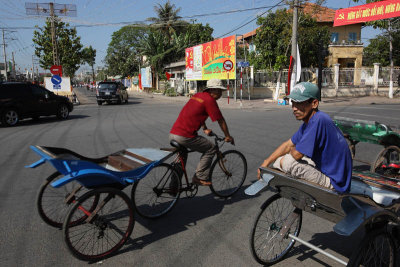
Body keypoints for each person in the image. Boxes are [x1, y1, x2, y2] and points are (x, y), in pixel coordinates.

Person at [258, 82, 352, 193]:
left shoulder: (319, 120)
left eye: (299, 104)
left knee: (286, 162)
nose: (294, 108)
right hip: (327, 170)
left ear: (314, 103)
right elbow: (288, 144)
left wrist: (291, 152)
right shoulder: (310, 122)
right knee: (279, 161)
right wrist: (266, 162)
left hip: (335, 181)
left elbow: (296, 154)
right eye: (293, 103)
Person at [169, 79, 234, 186]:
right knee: (211, 148)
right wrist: (228, 136)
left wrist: (204, 128)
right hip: (185, 136)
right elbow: (220, 120)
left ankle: (173, 187)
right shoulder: (210, 100)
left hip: (173, 134)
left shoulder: (198, 95)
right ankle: (199, 177)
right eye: (220, 91)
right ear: (213, 90)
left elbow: (198, 114)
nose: (221, 94)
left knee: (181, 158)